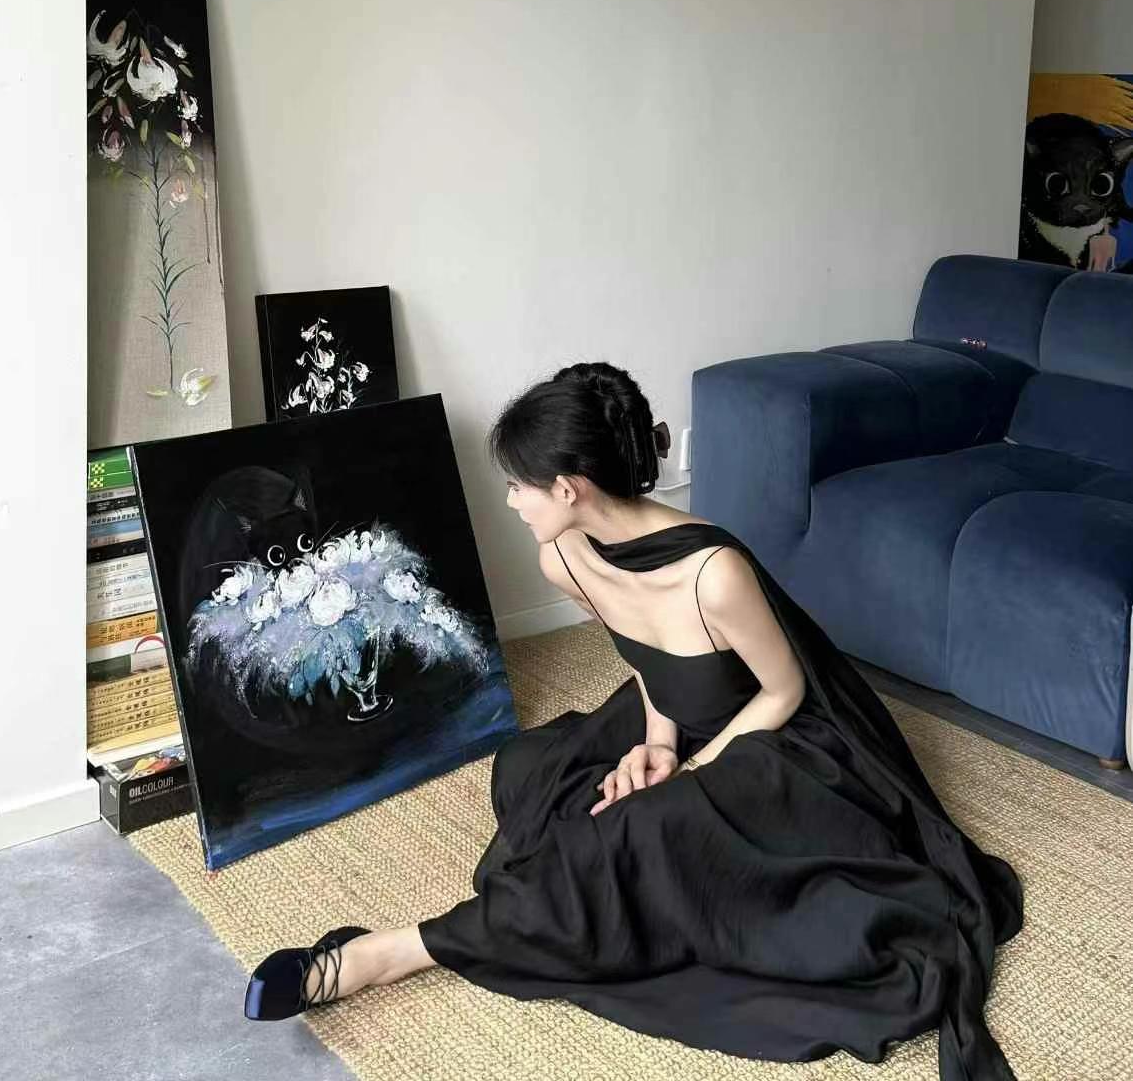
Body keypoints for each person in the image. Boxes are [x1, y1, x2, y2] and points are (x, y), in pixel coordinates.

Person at [244, 362, 1024, 1079]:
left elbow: (784, 691)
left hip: (773, 743)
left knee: (630, 837)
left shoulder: (714, 574)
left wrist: (690, 770)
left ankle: (386, 955)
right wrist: (656, 743)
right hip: (680, 714)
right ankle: (558, 894)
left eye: (518, 486)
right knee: (533, 771)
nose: (510, 502)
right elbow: (646, 659)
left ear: (570, 487)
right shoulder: (564, 558)